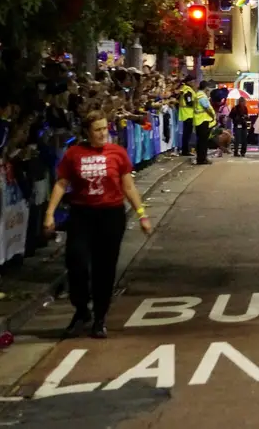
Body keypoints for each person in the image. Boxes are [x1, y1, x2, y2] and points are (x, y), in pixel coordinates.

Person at [43, 111, 153, 338]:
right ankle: (82, 310)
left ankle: (100, 317)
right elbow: (62, 183)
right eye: (98, 130)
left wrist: (141, 214)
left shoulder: (117, 153)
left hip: (110, 216)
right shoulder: (74, 154)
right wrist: (50, 213)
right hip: (82, 215)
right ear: (87, 133)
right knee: (77, 262)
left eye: (105, 128)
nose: (103, 134)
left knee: (105, 268)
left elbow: (128, 186)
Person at [193, 80, 217, 165]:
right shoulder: (201, 96)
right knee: (203, 141)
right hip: (203, 121)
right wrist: (212, 115)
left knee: (201, 141)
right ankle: (202, 159)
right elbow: (206, 107)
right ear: (206, 88)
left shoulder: (197, 95)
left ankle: (201, 158)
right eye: (208, 89)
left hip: (199, 121)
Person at [177, 76, 195, 157]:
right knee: (187, 133)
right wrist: (197, 104)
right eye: (193, 81)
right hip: (188, 114)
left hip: (186, 113)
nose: (194, 83)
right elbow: (189, 102)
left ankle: (185, 150)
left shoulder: (184, 89)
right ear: (189, 82)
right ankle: (185, 150)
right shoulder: (188, 90)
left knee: (186, 133)